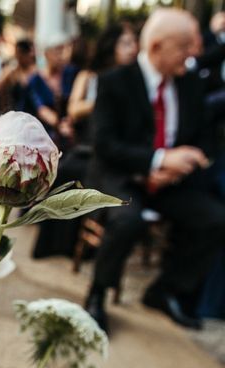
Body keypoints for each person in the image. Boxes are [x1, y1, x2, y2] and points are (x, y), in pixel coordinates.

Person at [84, 8, 225, 333]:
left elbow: (205, 138)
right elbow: (104, 145)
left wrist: (184, 164)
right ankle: (97, 293)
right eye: (185, 46)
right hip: (123, 177)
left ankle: (164, 291)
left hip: (172, 183)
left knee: (216, 219)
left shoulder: (189, 83)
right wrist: (157, 161)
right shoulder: (114, 81)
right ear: (158, 46)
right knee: (127, 220)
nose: (194, 53)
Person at [32, 23, 138, 259]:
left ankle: (83, 243)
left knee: (86, 173)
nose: (133, 49)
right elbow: (75, 108)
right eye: (126, 43)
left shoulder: (136, 83)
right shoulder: (90, 76)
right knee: (67, 170)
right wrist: (104, 99)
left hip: (114, 152)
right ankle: (56, 243)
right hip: (86, 145)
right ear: (111, 46)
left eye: (134, 43)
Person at [26, 33, 78, 151]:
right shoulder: (36, 79)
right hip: (45, 135)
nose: (62, 54)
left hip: (71, 131)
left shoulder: (70, 73)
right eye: (58, 50)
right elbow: (41, 108)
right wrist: (59, 124)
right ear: (46, 53)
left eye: (65, 49)